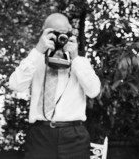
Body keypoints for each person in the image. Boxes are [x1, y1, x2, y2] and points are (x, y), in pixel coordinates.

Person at [9, 13, 101, 159]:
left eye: (63, 34)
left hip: (74, 135)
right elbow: (15, 84)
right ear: (43, 32)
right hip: (40, 135)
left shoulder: (80, 62)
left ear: (70, 33)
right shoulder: (35, 60)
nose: (59, 38)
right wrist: (38, 50)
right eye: (53, 33)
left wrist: (75, 57)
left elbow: (94, 91)